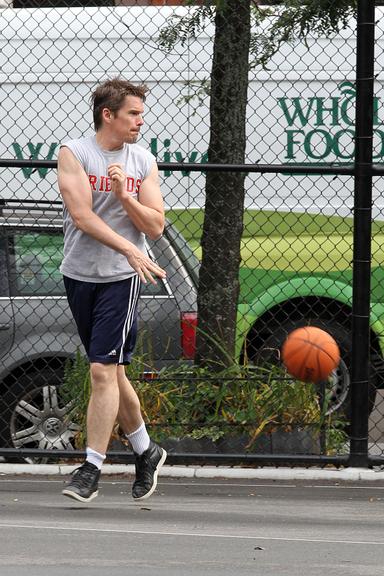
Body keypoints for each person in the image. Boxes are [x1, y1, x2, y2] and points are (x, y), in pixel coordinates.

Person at [58, 77, 167, 503]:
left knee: (102, 371)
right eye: (133, 113)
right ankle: (145, 449)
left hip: (122, 279)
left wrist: (125, 196)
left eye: (141, 113)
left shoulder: (142, 161)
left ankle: (91, 468)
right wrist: (129, 247)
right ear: (109, 115)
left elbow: (155, 225)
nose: (141, 120)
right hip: (80, 274)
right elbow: (82, 217)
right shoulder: (75, 154)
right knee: (114, 372)